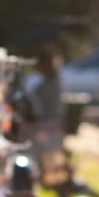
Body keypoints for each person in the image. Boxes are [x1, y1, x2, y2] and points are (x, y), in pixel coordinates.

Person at [21, 49, 65, 185]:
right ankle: (42, 180)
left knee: (46, 156)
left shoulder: (52, 82)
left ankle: (49, 181)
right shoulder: (48, 81)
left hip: (46, 125)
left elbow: (43, 106)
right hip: (45, 124)